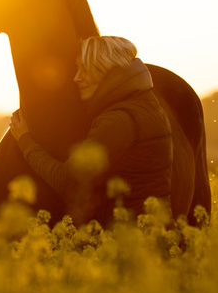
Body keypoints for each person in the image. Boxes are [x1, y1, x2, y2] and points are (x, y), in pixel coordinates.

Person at [9, 36, 173, 226]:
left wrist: (25, 140)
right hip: (156, 232)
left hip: (127, 239)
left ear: (105, 70)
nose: (76, 78)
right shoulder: (147, 104)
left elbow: (68, 181)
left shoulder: (118, 121)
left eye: (84, 70)